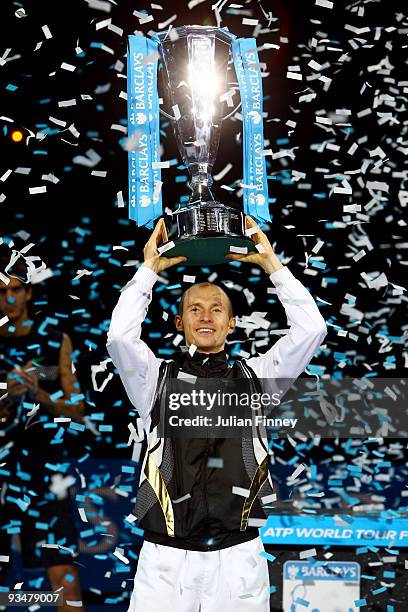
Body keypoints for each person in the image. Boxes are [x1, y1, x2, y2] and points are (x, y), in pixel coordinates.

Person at [107, 216, 327, 612]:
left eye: (215, 310)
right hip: (166, 559)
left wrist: (272, 266)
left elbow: (311, 330)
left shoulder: (259, 379)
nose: (205, 317)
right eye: (194, 309)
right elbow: (120, 337)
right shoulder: (154, 380)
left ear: (231, 324)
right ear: (180, 323)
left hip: (237, 556)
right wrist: (148, 271)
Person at [0, 257, 85, 612]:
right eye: (1, 292)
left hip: (48, 468)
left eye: (16, 290)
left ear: (29, 292)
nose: (9, 299)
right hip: (3, 469)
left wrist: (40, 395)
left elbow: (78, 409)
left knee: (61, 566)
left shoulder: (55, 339)